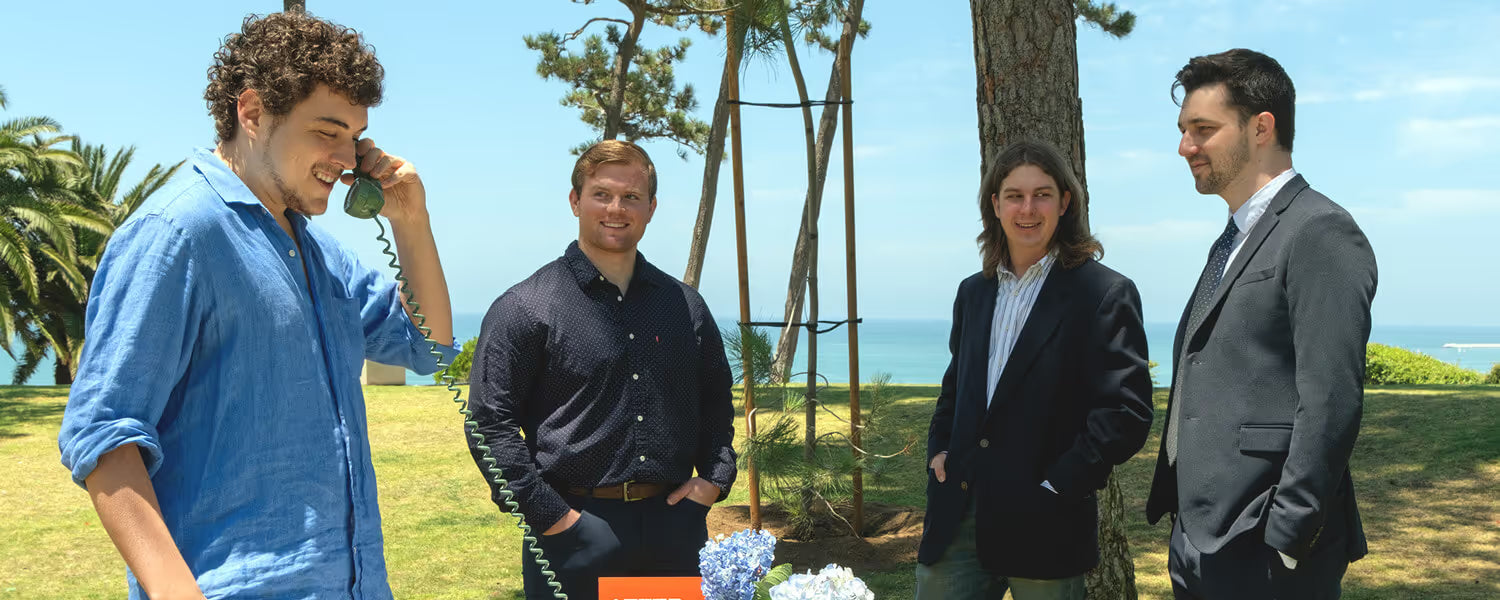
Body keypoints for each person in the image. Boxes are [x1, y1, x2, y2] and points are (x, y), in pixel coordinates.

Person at [56, 12, 456, 599]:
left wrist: (411, 222)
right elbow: (104, 436)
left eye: (355, 136)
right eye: (328, 131)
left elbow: (430, 347)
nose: (348, 159)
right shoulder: (177, 233)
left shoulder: (320, 252)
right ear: (252, 112)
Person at [1145, 48, 1377, 599]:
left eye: (1203, 129)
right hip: (1198, 540)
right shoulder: (1234, 238)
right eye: (1183, 130)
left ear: (1261, 128)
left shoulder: (1320, 232)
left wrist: (1289, 535)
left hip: (1264, 550)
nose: (1185, 147)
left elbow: (1331, 401)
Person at [467, 139, 737, 600]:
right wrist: (551, 517)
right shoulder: (525, 307)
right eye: (602, 194)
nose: (617, 208)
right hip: (572, 530)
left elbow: (715, 399)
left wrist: (713, 479)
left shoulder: (684, 306)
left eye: (632, 197)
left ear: (651, 208)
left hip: (674, 528)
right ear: (576, 201)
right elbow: (489, 424)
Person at [915, 139, 1153, 600]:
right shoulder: (973, 293)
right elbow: (955, 390)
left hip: (1047, 519)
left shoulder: (1104, 293)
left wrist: (1059, 484)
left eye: (1042, 194)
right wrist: (939, 450)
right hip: (958, 512)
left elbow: (1126, 412)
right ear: (995, 205)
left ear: (1065, 202)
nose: (1028, 208)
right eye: (1014, 196)